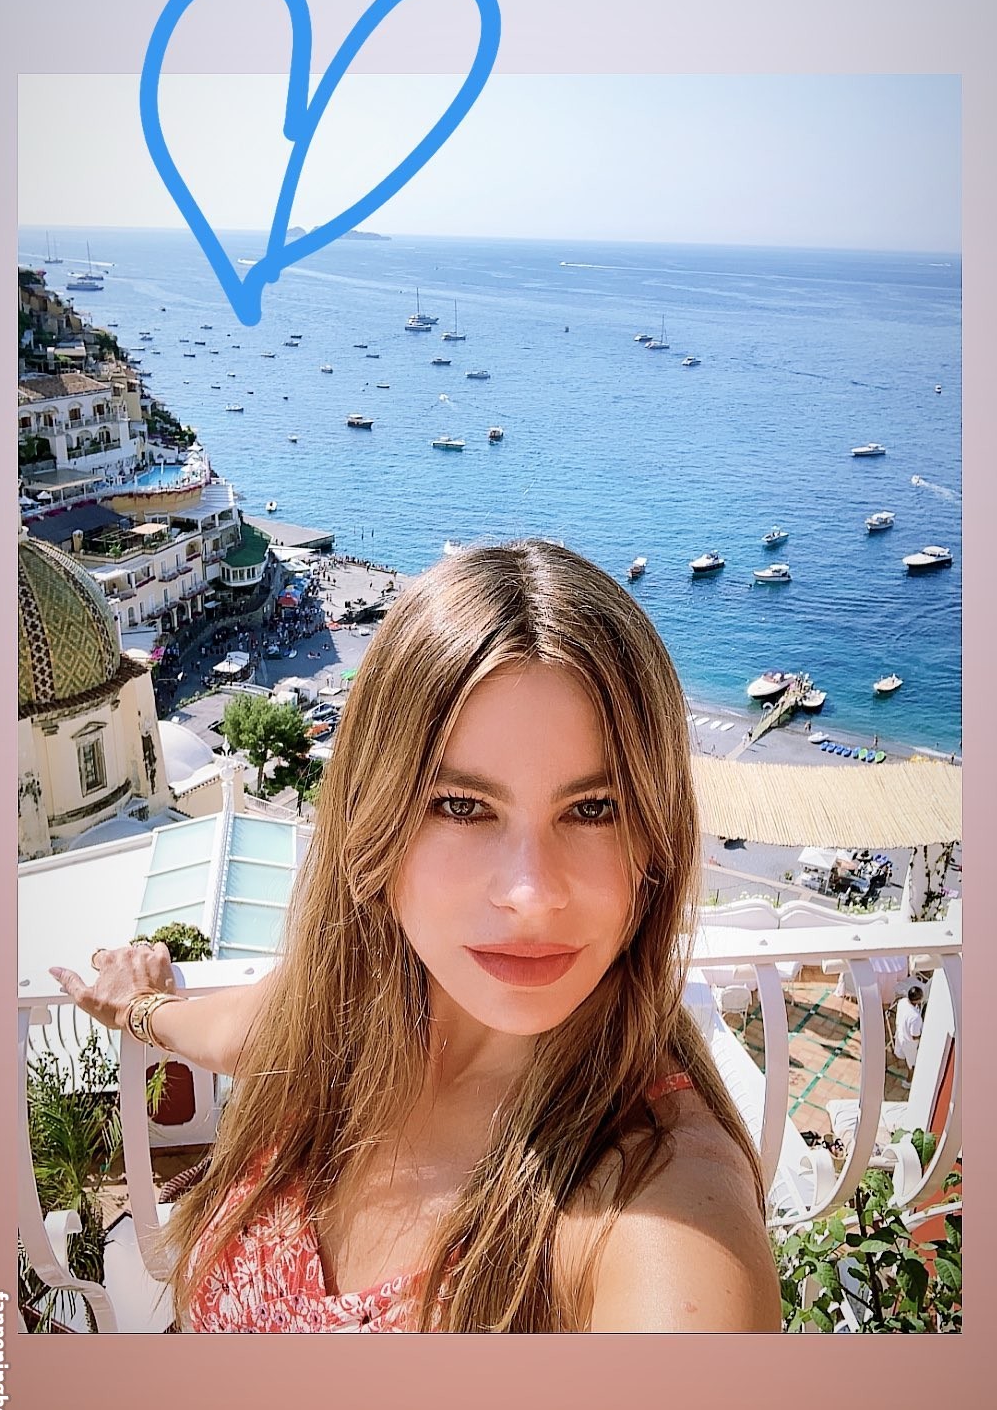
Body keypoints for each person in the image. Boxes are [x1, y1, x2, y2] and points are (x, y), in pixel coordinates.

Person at [52, 539, 780, 1336]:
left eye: (594, 809)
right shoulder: (349, 1013)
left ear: (656, 842)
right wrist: (138, 1008)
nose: (531, 893)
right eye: (463, 807)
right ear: (377, 822)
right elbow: (232, 1030)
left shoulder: (661, 1208)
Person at [894, 984, 925, 1070]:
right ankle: (909, 1077)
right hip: (908, 1043)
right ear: (917, 1000)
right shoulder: (915, 1017)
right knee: (912, 1065)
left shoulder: (902, 1001)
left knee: (901, 1055)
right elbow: (914, 1036)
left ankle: (899, 1064)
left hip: (900, 1034)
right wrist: (924, 1036)